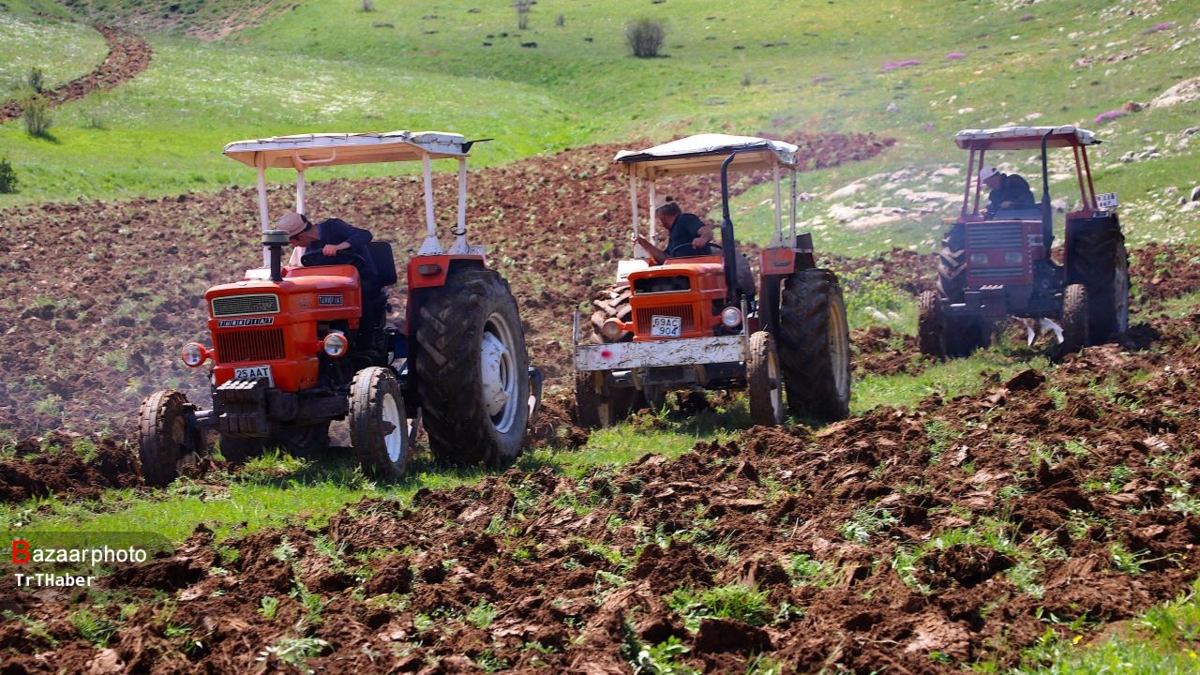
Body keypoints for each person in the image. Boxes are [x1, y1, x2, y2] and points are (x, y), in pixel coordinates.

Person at [276, 211, 379, 288]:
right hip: (335, 286)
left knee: (362, 294)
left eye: (293, 242)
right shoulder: (310, 254)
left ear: (302, 236)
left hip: (362, 279)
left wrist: (338, 247)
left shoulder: (334, 227)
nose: (295, 246)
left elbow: (364, 235)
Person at [633, 197, 715, 264]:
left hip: (695, 268)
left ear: (662, 215)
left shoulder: (685, 219)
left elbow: (707, 231)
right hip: (682, 271)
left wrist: (703, 239)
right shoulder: (673, 233)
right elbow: (665, 259)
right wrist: (643, 242)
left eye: (658, 217)